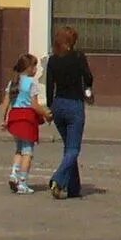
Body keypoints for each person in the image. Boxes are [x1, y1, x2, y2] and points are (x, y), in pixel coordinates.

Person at [44, 26, 94, 200]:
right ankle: (57, 179)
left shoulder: (52, 60)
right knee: (73, 149)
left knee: (68, 147)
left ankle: (74, 187)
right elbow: (88, 78)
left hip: (58, 105)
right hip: (74, 105)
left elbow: (50, 87)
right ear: (71, 42)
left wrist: (50, 108)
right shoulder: (79, 57)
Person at [2, 53, 43, 193]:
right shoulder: (32, 83)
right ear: (29, 68)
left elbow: (6, 101)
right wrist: (46, 113)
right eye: (34, 66)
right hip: (27, 119)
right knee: (28, 152)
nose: (36, 69)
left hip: (14, 117)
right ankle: (22, 182)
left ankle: (14, 174)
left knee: (19, 149)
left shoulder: (13, 82)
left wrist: (4, 119)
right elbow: (35, 105)